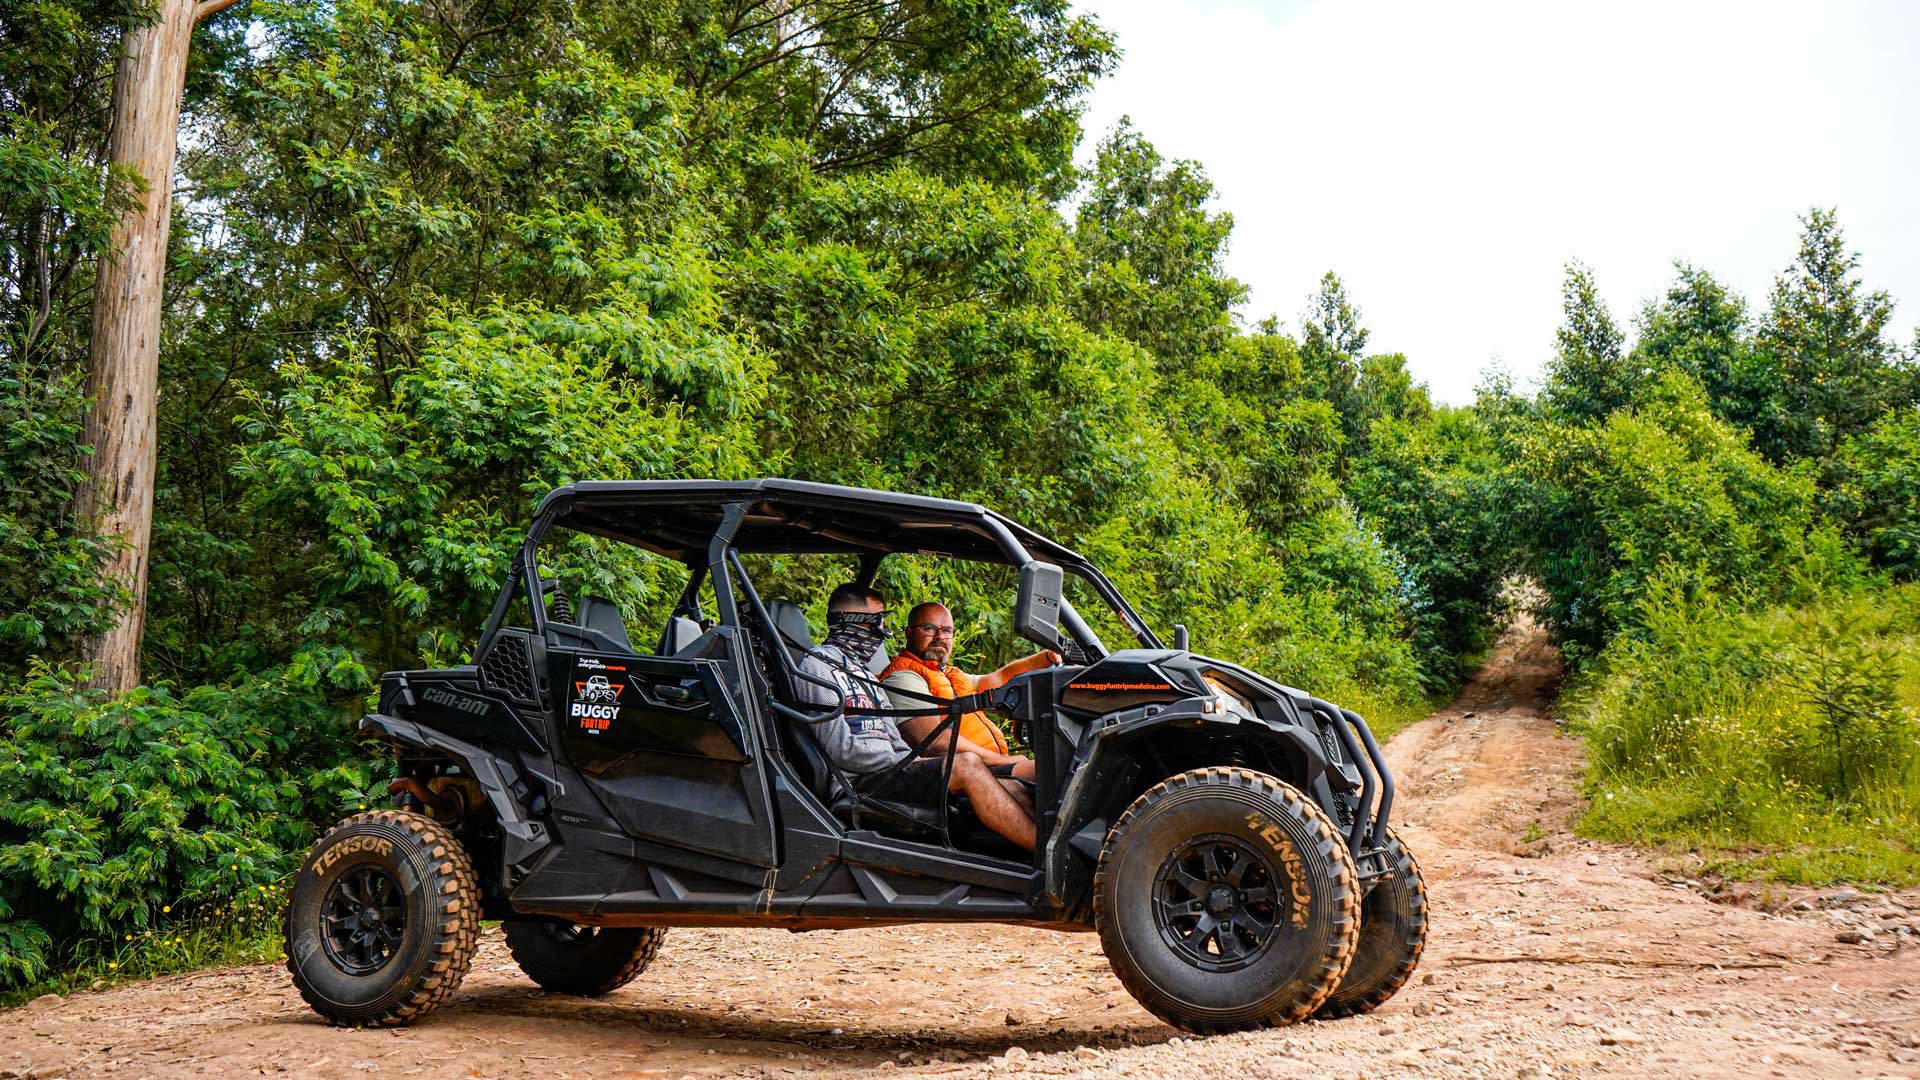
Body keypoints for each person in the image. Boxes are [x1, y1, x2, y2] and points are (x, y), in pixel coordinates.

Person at [794, 584, 1038, 851]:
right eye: (876, 623)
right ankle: (1049, 861)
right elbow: (841, 751)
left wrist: (915, 763)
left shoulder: (865, 676)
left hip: (892, 771)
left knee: (1012, 787)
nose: (882, 631)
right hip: (859, 782)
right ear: (853, 624)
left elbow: (894, 739)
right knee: (966, 764)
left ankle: (1044, 851)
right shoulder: (816, 667)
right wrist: (901, 761)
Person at [879, 602, 1058, 783]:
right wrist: (1003, 761)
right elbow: (935, 742)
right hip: (958, 774)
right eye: (930, 628)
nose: (940, 637)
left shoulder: (949, 674)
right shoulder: (903, 676)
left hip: (987, 765)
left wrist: (1045, 658)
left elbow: (998, 680)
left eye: (947, 631)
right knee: (1053, 774)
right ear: (909, 633)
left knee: (1060, 767)